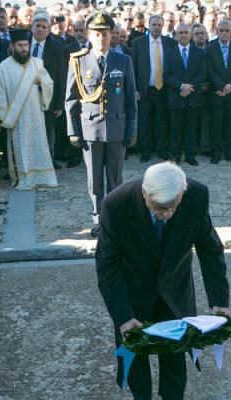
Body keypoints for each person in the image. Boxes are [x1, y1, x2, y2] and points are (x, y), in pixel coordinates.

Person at [95, 162, 230, 400]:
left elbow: (210, 247)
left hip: (175, 282)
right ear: (145, 194)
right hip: (133, 287)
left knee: (176, 344)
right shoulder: (116, 205)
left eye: (173, 207)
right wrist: (123, 317)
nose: (167, 214)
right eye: (160, 208)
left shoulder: (196, 195)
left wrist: (219, 299)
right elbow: (107, 266)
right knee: (135, 347)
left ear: (182, 193)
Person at [65, 11, 137, 239]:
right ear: (89, 35)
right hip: (90, 129)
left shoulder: (123, 61)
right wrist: (73, 130)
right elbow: (71, 99)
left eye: (105, 34)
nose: (101, 38)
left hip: (116, 129)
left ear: (111, 35)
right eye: (96, 34)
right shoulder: (79, 61)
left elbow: (130, 99)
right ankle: (98, 219)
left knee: (115, 179)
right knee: (94, 180)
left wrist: (132, 128)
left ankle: (114, 220)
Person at [0, 29, 57, 190]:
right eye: (20, 46)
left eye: (26, 45)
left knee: (38, 145)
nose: (24, 49)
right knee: (20, 148)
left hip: (36, 115)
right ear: (12, 46)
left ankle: (42, 177)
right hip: (16, 118)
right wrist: (0, 115)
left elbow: (49, 83)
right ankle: (24, 178)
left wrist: (41, 82)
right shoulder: (4, 67)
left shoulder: (37, 63)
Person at [131, 14, 175, 162]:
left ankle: (162, 150)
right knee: (145, 122)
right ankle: (146, 151)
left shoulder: (170, 42)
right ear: (148, 25)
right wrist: (136, 89)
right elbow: (134, 67)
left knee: (162, 121)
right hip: (145, 90)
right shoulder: (138, 43)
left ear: (163, 26)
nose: (156, 27)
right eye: (154, 24)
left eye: (159, 25)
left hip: (163, 89)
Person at [164, 22, 206, 166]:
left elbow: (203, 73)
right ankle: (175, 156)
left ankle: (190, 155)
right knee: (175, 129)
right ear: (175, 36)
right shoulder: (169, 53)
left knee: (191, 128)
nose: (183, 35)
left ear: (191, 35)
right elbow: (166, 75)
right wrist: (181, 86)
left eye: (186, 33)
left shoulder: (200, 53)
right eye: (180, 33)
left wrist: (189, 87)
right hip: (176, 96)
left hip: (193, 97)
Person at [28, 11, 66, 162]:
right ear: (32, 27)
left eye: (44, 27)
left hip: (47, 96)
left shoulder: (56, 49)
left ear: (49, 30)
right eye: (38, 26)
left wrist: (59, 104)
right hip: (25, 95)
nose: (40, 29)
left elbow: (61, 77)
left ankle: (47, 161)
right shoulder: (22, 44)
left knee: (47, 129)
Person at [205, 19, 231, 164]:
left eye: (227, 30)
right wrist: (221, 86)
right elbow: (209, 70)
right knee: (216, 124)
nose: (224, 33)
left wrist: (229, 86)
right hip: (217, 93)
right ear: (216, 31)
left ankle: (230, 151)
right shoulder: (210, 48)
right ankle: (216, 152)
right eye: (221, 30)